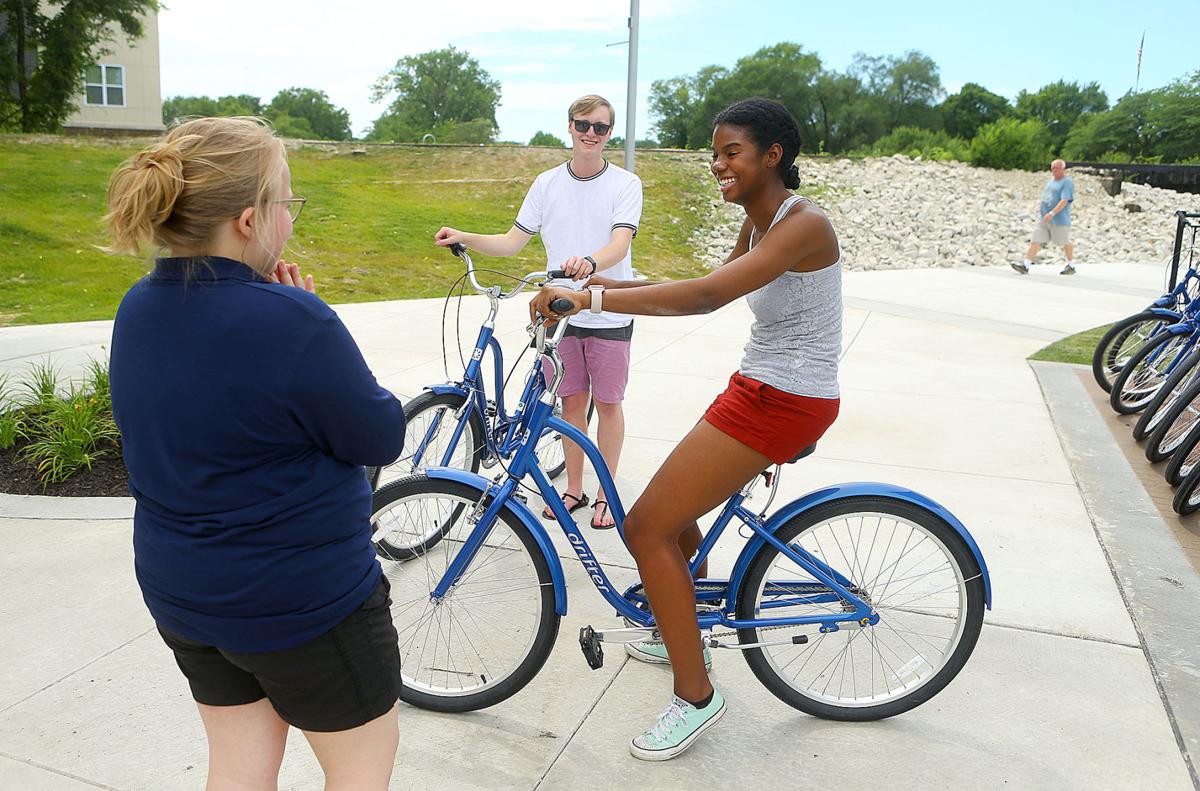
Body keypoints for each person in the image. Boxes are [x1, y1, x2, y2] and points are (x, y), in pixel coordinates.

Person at [530, 97, 841, 761]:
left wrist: (593, 298)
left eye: (731, 152)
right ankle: (680, 622)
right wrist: (582, 289)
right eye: (715, 153)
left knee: (645, 528)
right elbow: (703, 280)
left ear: (773, 155)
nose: (717, 164)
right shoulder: (759, 224)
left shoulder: (803, 223)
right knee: (670, 517)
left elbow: (705, 298)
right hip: (759, 385)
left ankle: (697, 696)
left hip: (786, 398)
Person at [105, 116, 407, 790]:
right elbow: (381, 434)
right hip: (305, 604)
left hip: (185, 595)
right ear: (248, 220)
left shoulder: (137, 308)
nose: (290, 223)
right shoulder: (295, 321)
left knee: (239, 767)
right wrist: (309, 321)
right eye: (286, 204)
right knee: (360, 766)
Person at [435, 94, 643, 529]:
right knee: (569, 404)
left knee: (607, 404)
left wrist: (589, 261)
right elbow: (513, 242)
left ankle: (606, 494)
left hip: (606, 309)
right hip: (558, 311)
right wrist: (464, 236)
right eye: (583, 124)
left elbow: (620, 242)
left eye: (600, 128)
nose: (590, 134)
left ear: (609, 134)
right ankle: (573, 488)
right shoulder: (547, 184)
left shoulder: (625, 184)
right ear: (569, 126)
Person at [1012, 158, 1076, 275]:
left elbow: (1065, 200)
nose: (1054, 170)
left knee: (1064, 241)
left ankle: (1071, 265)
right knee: (1036, 239)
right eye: (1052, 168)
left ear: (1063, 169)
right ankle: (1026, 265)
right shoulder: (1051, 181)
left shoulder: (1067, 182)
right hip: (1044, 219)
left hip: (1059, 219)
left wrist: (1052, 213)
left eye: (1057, 168)